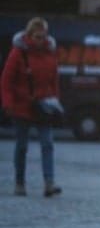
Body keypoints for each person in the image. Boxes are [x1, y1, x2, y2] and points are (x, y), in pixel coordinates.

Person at [1, 17, 62, 197]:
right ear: (29, 36)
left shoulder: (50, 52)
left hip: (44, 106)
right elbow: (6, 81)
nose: (40, 41)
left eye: (43, 37)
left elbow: (54, 79)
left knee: (47, 144)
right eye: (37, 37)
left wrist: (55, 100)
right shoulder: (18, 53)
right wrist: (8, 103)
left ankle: (49, 183)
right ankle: (20, 183)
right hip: (22, 106)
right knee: (22, 146)